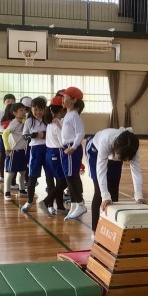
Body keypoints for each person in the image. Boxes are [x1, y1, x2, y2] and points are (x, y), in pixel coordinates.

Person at [85, 128, 146, 232]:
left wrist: (139, 196)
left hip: (117, 151)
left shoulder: (132, 147)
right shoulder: (105, 141)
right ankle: (95, 232)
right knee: (99, 193)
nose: (121, 161)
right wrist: (105, 196)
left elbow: (136, 171)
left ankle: (111, 231)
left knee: (113, 190)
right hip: (95, 150)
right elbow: (101, 171)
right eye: (120, 158)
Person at [37, 97, 69, 216]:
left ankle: (60, 207)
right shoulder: (57, 125)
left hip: (49, 153)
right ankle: (46, 202)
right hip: (57, 153)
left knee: (59, 181)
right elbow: (63, 142)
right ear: (61, 110)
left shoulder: (51, 123)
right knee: (64, 182)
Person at [59, 87, 87, 220]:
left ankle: (80, 204)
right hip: (67, 148)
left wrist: (74, 147)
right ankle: (75, 205)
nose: (62, 99)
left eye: (65, 97)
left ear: (74, 100)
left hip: (71, 149)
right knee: (69, 177)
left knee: (71, 177)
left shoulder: (75, 115)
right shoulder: (68, 115)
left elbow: (80, 133)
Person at [20, 97, 47, 213]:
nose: (38, 112)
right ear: (31, 109)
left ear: (45, 109)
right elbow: (24, 136)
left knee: (50, 176)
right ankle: (30, 200)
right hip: (35, 150)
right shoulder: (29, 121)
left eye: (40, 109)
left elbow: (53, 133)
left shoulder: (48, 120)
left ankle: (50, 204)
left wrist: (44, 134)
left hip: (48, 149)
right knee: (32, 177)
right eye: (35, 109)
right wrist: (35, 135)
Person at [2, 102, 27, 201]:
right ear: (15, 113)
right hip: (14, 151)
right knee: (11, 173)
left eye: (24, 110)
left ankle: (22, 190)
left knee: (23, 172)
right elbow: (5, 134)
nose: (24, 112)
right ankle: (7, 192)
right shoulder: (14, 123)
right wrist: (7, 147)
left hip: (22, 151)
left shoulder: (23, 121)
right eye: (21, 110)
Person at [0, 94, 15, 182]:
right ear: (4, 102)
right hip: (3, 137)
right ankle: (1, 176)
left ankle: (13, 179)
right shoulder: (1, 113)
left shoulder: (16, 113)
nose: (10, 103)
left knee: (13, 157)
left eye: (12, 101)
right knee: (2, 156)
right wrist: (6, 131)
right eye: (8, 101)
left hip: (13, 138)